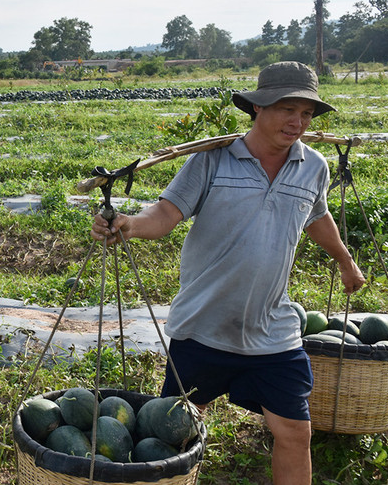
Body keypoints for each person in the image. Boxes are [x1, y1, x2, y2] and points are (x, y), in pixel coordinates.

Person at [91, 61, 365, 485]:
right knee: (177, 434)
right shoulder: (212, 160)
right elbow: (166, 214)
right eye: (287, 109)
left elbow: (316, 217)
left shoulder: (314, 167)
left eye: (307, 114)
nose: (298, 122)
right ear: (257, 108)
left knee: (295, 431)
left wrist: (346, 261)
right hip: (204, 329)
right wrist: (130, 224)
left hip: (272, 331)